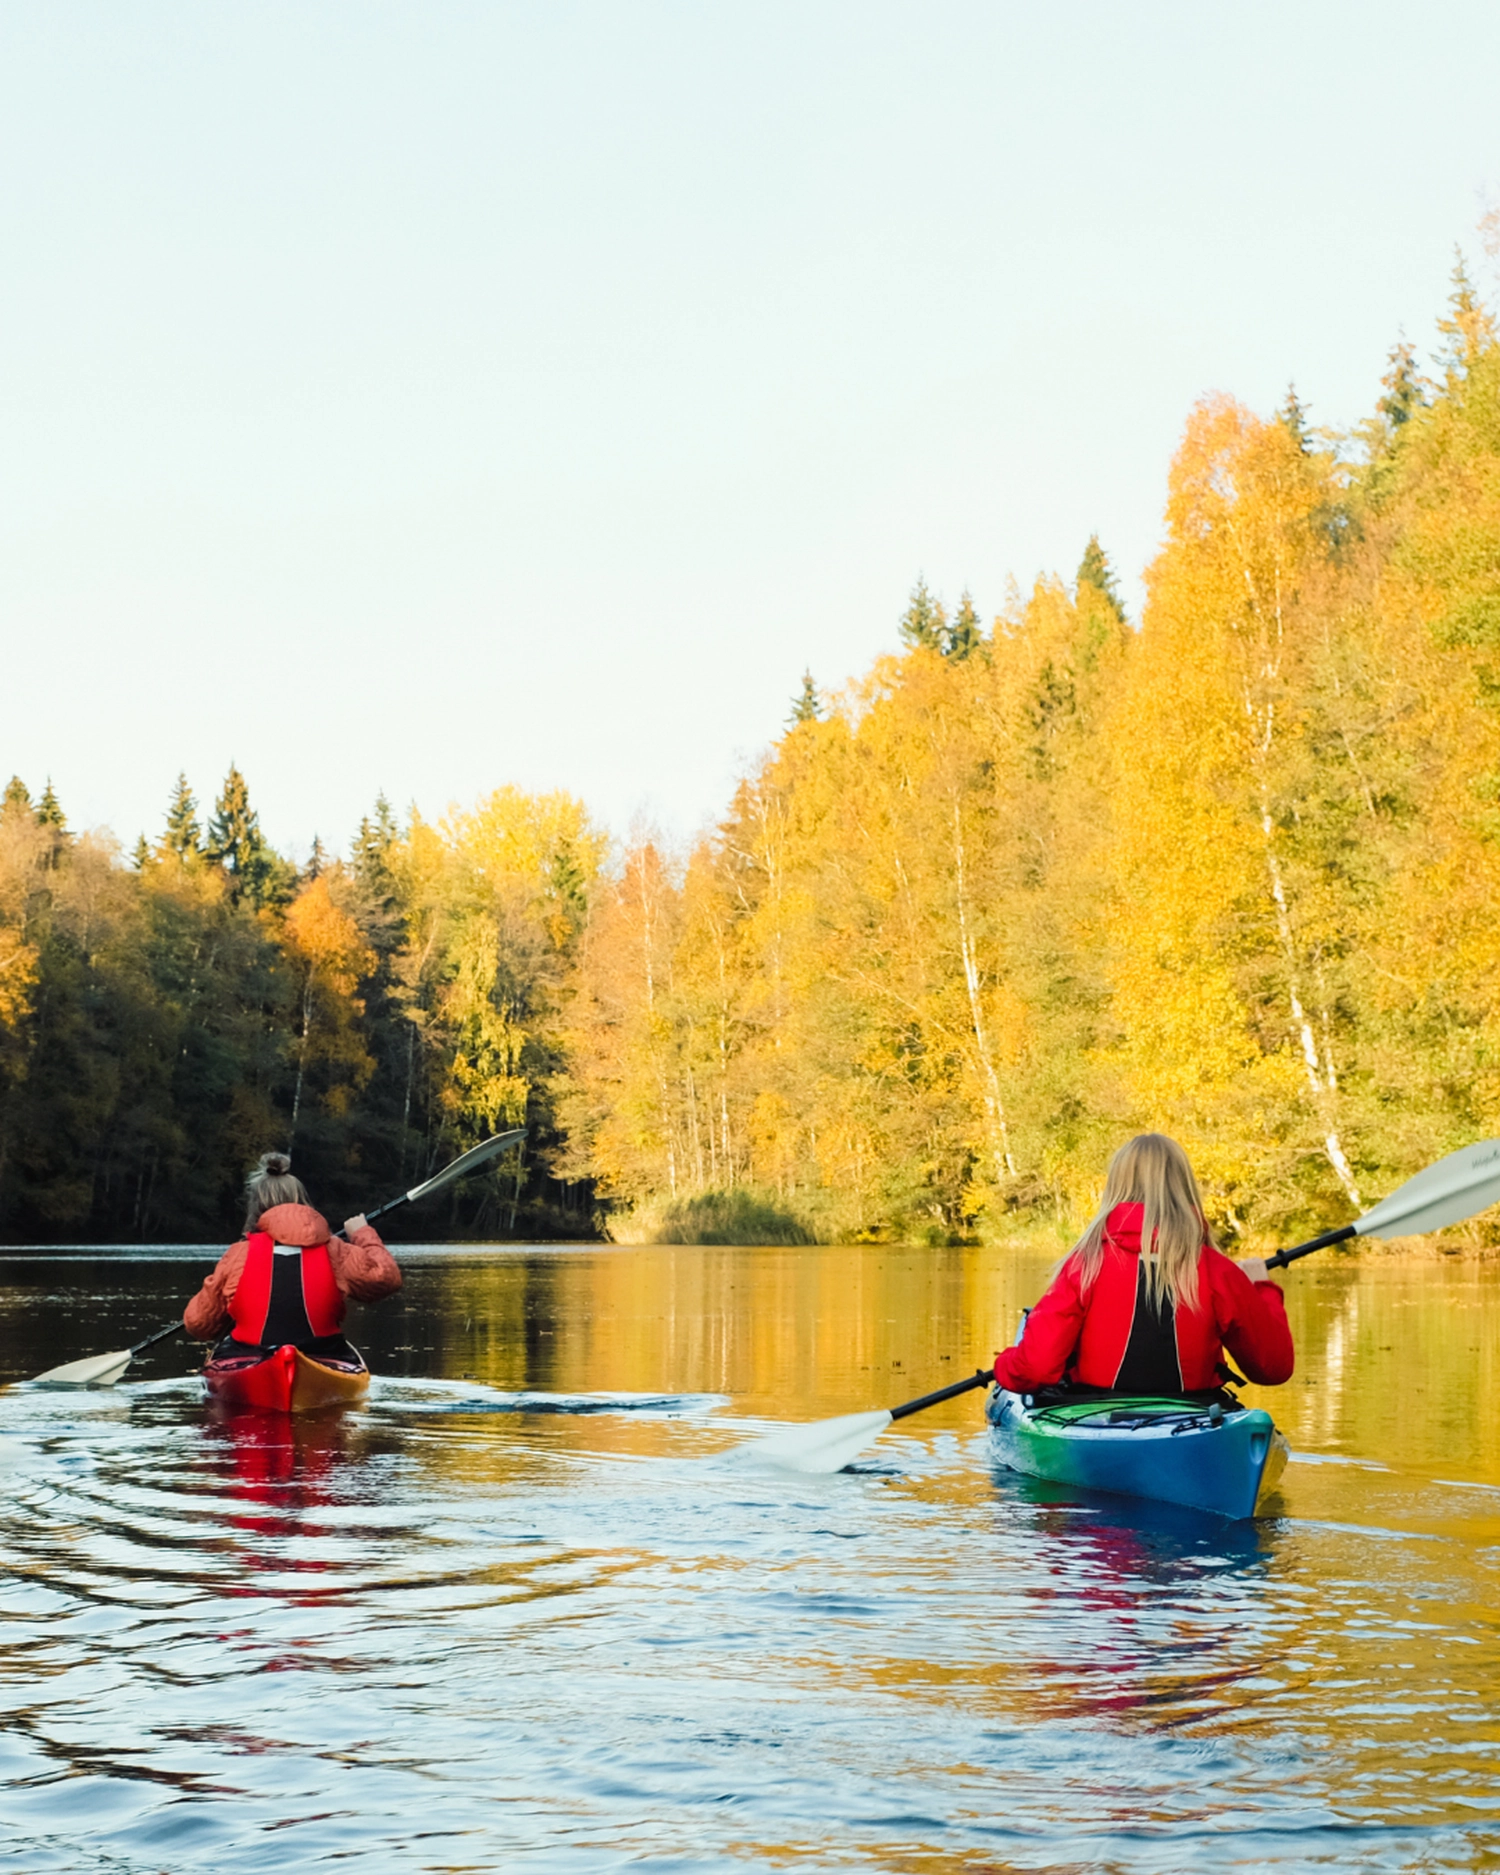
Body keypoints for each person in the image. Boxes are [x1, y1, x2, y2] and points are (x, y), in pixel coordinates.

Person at [993, 1133, 1294, 1398]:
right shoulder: (1218, 1271)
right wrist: (1260, 1288)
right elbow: (1273, 1369)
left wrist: (1003, 1364)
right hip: (1193, 1416)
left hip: (1095, 1414)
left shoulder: (1085, 1266)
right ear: (1184, 1187)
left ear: (1116, 1188)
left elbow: (1034, 1370)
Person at [184, 1151, 403, 1360]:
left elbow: (199, 1324)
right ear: (302, 1201)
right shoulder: (336, 1249)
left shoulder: (239, 1254)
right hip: (323, 1353)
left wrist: (228, 1314)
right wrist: (361, 1234)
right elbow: (387, 1279)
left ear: (255, 1208)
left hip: (250, 1354)